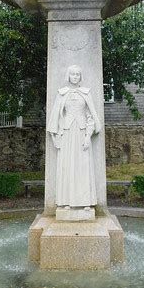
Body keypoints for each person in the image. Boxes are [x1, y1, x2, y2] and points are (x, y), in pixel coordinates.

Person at [47, 65, 101, 207]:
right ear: (68, 76)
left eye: (78, 74)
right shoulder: (62, 93)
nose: (75, 76)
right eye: (73, 74)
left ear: (80, 76)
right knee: (67, 167)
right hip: (67, 134)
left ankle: (85, 202)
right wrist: (56, 136)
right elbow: (56, 116)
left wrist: (88, 137)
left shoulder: (86, 93)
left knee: (82, 167)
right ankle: (66, 201)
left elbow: (90, 117)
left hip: (82, 133)